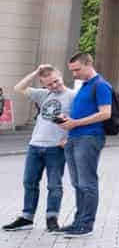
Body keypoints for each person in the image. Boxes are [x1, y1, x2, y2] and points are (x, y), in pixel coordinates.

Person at [3, 65, 73, 232]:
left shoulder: (73, 96)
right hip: (35, 145)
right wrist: (36, 71)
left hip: (55, 148)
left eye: (56, 81)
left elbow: (80, 120)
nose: (54, 86)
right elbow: (18, 87)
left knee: (54, 185)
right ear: (43, 85)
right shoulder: (43, 95)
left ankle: (52, 218)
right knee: (29, 182)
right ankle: (27, 217)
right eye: (49, 84)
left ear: (61, 76)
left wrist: (68, 138)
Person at [55, 52, 112, 238]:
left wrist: (75, 124)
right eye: (72, 70)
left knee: (87, 183)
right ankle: (78, 221)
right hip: (74, 137)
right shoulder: (85, 86)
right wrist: (67, 126)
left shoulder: (101, 85)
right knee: (78, 183)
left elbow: (105, 113)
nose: (74, 74)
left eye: (77, 69)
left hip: (89, 138)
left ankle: (86, 225)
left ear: (89, 64)